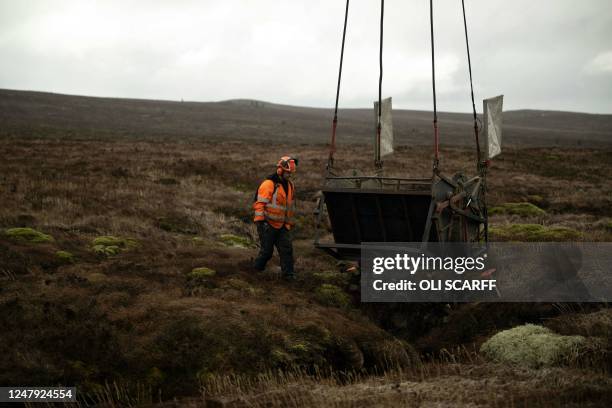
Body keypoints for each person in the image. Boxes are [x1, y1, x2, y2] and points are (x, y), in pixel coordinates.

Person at [252, 156, 298, 280]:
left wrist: (288, 224)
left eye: (290, 173)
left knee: (287, 250)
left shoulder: (290, 185)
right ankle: (254, 272)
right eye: (287, 172)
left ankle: (289, 277)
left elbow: (288, 207)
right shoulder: (269, 184)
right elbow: (259, 204)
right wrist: (261, 223)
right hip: (267, 224)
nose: (289, 175)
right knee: (267, 252)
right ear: (280, 170)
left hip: (282, 226)